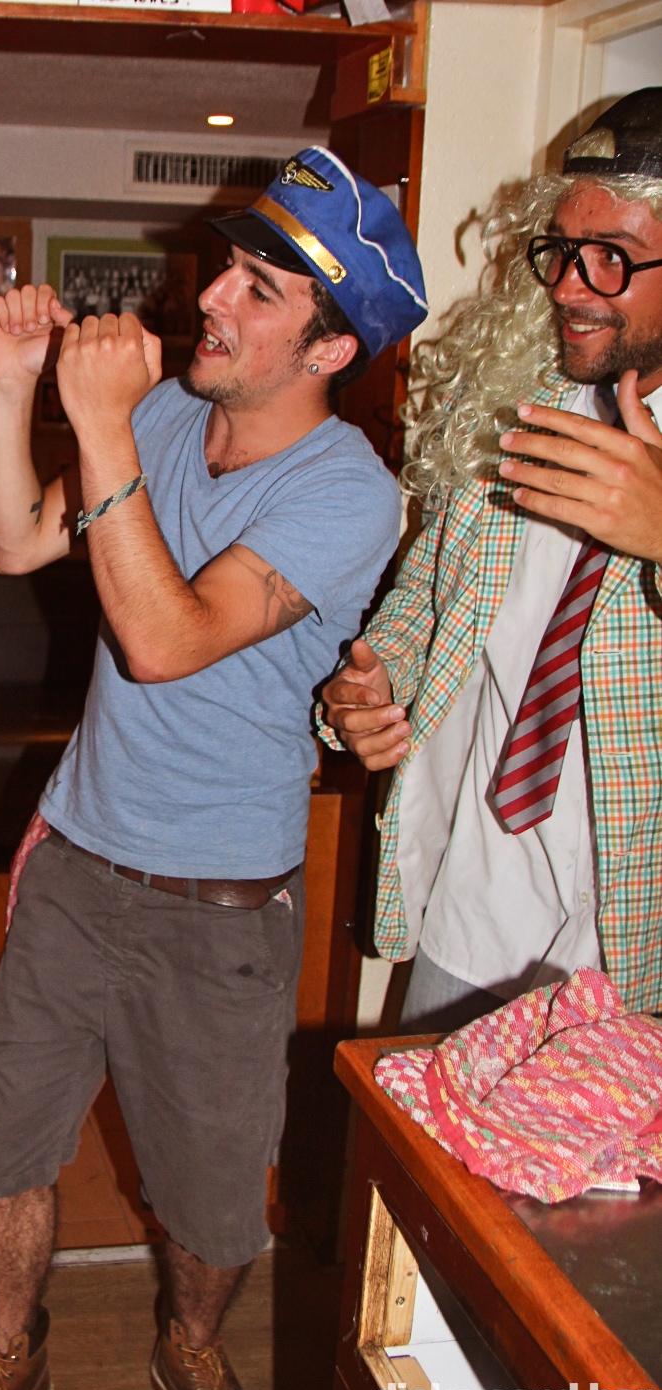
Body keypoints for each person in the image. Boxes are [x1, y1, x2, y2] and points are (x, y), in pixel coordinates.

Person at [0, 147, 426, 1390]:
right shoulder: (155, 421)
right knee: (5, 1141)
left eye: (258, 289)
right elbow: (12, 542)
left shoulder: (345, 492)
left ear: (327, 349)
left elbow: (166, 637)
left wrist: (97, 425)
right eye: (225, 269)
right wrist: (14, 385)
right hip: (75, 862)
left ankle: (188, 1348)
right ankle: (5, 1352)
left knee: (208, 1195)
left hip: (220, 903)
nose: (209, 297)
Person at [320, 88, 662, 1032]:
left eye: (612, 257)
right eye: (562, 251)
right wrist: (373, 684)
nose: (567, 287)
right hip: (471, 914)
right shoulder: (518, 403)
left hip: (631, 954)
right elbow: (430, 599)